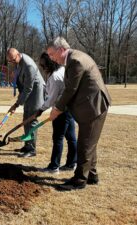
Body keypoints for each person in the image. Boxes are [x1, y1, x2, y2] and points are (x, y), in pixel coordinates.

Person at [47, 37, 111, 190]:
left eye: (51, 54)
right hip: (89, 105)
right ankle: (92, 176)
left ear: (61, 50)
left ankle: (80, 180)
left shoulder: (75, 61)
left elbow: (71, 90)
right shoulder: (73, 59)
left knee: (85, 143)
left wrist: (57, 109)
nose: (51, 58)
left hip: (94, 106)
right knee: (89, 143)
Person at [38, 52, 77, 174]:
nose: (43, 68)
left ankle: (54, 166)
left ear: (50, 64)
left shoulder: (55, 76)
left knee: (58, 138)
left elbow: (51, 99)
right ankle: (72, 163)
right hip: (69, 108)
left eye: (44, 65)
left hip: (60, 110)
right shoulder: (62, 70)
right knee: (71, 138)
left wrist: (41, 109)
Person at [7, 48, 45, 158]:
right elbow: (22, 84)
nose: (12, 63)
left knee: (32, 120)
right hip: (28, 93)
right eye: (10, 61)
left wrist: (17, 104)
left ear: (18, 55)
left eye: (13, 60)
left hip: (36, 94)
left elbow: (28, 88)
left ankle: (32, 149)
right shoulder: (19, 62)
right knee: (25, 119)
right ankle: (27, 145)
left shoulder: (29, 66)